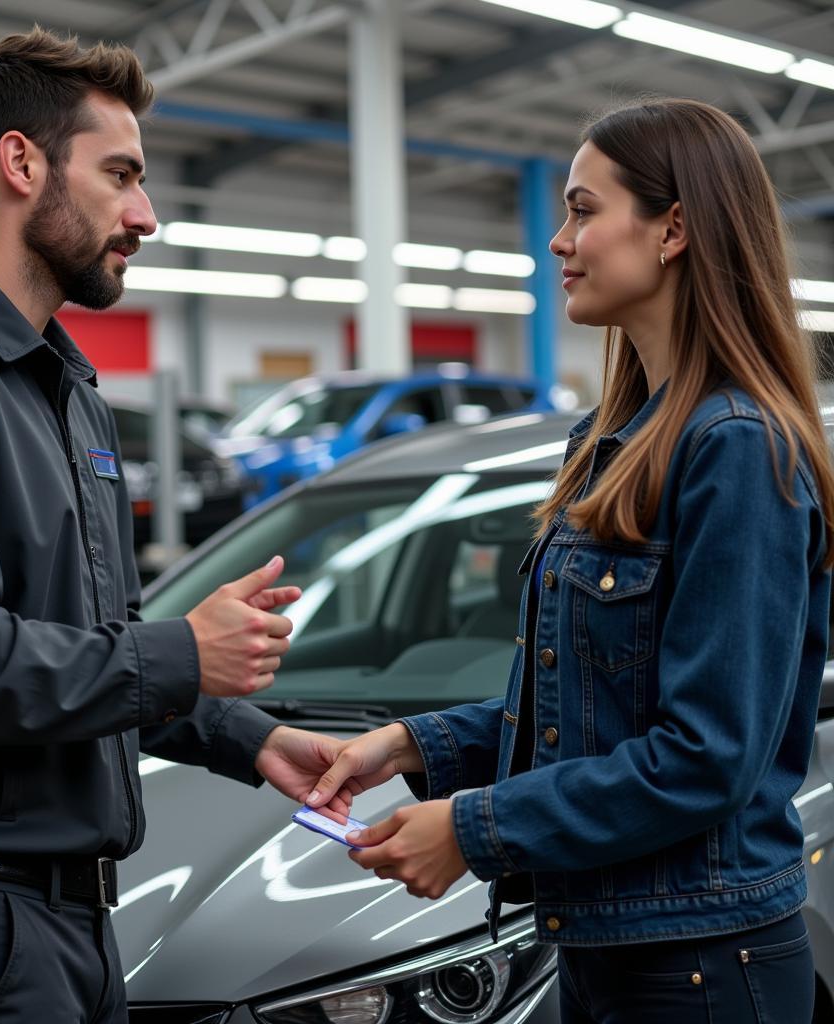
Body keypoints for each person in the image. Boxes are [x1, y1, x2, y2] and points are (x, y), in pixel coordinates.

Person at [0, 28, 345, 1024]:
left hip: (67, 929)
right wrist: (181, 651)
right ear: (21, 163)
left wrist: (252, 738)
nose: (144, 213)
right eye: (120, 175)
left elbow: (87, 646)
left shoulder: (67, 391)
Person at [304, 99, 834, 1023]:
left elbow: (704, 756)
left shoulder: (739, 448)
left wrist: (472, 831)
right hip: (610, 947)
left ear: (673, 227)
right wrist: (409, 745)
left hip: (702, 962)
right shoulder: (608, 440)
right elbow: (585, 709)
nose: (558, 240)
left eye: (584, 210)